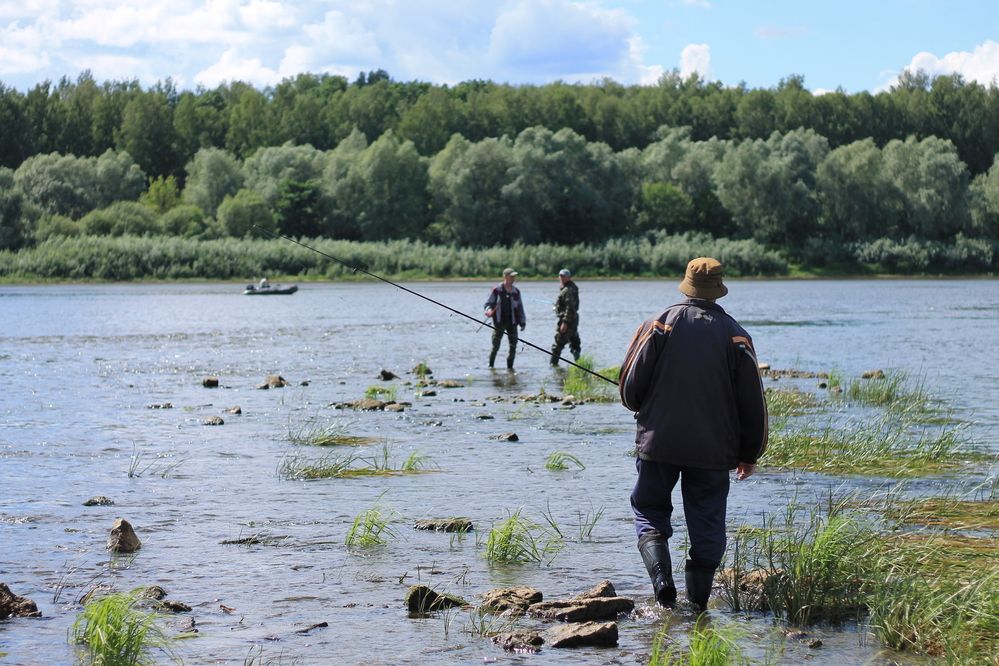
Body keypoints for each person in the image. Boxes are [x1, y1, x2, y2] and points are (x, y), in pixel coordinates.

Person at [619, 257, 768, 611]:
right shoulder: (736, 335)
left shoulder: (660, 324)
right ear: (718, 288)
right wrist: (751, 453)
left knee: (649, 509)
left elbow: (629, 390)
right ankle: (698, 607)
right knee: (708, 524)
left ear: (686, 284)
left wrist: (647, 408)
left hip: (658, 444)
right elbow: (754, 404)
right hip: (713, 452)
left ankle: (662, 584)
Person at [484, 268, 526, 370]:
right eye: (511, 276)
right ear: (505, 277)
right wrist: (489, 311)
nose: (513, 278)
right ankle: (491, 367)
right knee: (495, 346)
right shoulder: (497, 290)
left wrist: (522, 322)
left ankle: (510, 369)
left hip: (512, 323)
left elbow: (520, 307)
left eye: (514, 276)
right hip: (499, 323)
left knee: (513, 347)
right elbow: (488, 304)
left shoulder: (516, 292)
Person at [550, 268, 581, 366]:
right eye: (560, 276)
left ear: (569, 277)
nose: (562, 278)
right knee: (574, 342)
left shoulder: (567, 290)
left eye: (564, 276)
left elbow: (570, 307)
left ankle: (553, 366)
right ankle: (580, 364)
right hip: (574, 320)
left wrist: (565, 322)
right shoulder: (571, 287)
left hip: (568, 321)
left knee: (558, 344)